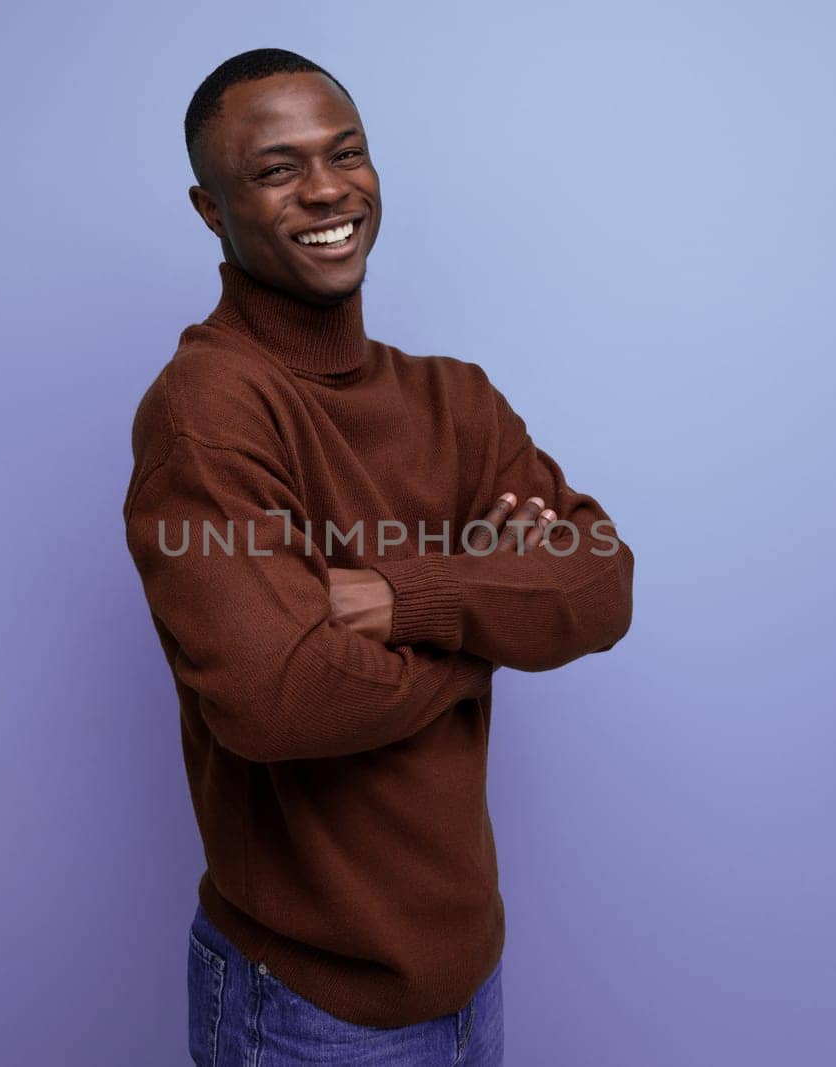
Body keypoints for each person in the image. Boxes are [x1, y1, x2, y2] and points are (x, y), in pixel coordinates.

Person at [123, 47, 635, 1066]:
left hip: (466, 973)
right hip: (306, 1003)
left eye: (345, 152)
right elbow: (280, 696)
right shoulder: (209, 408)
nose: (326, 188)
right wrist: (490, 622)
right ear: (210, 208)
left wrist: (408, 594)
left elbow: (600, 581)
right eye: (275, 169)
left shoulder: (454, 399)